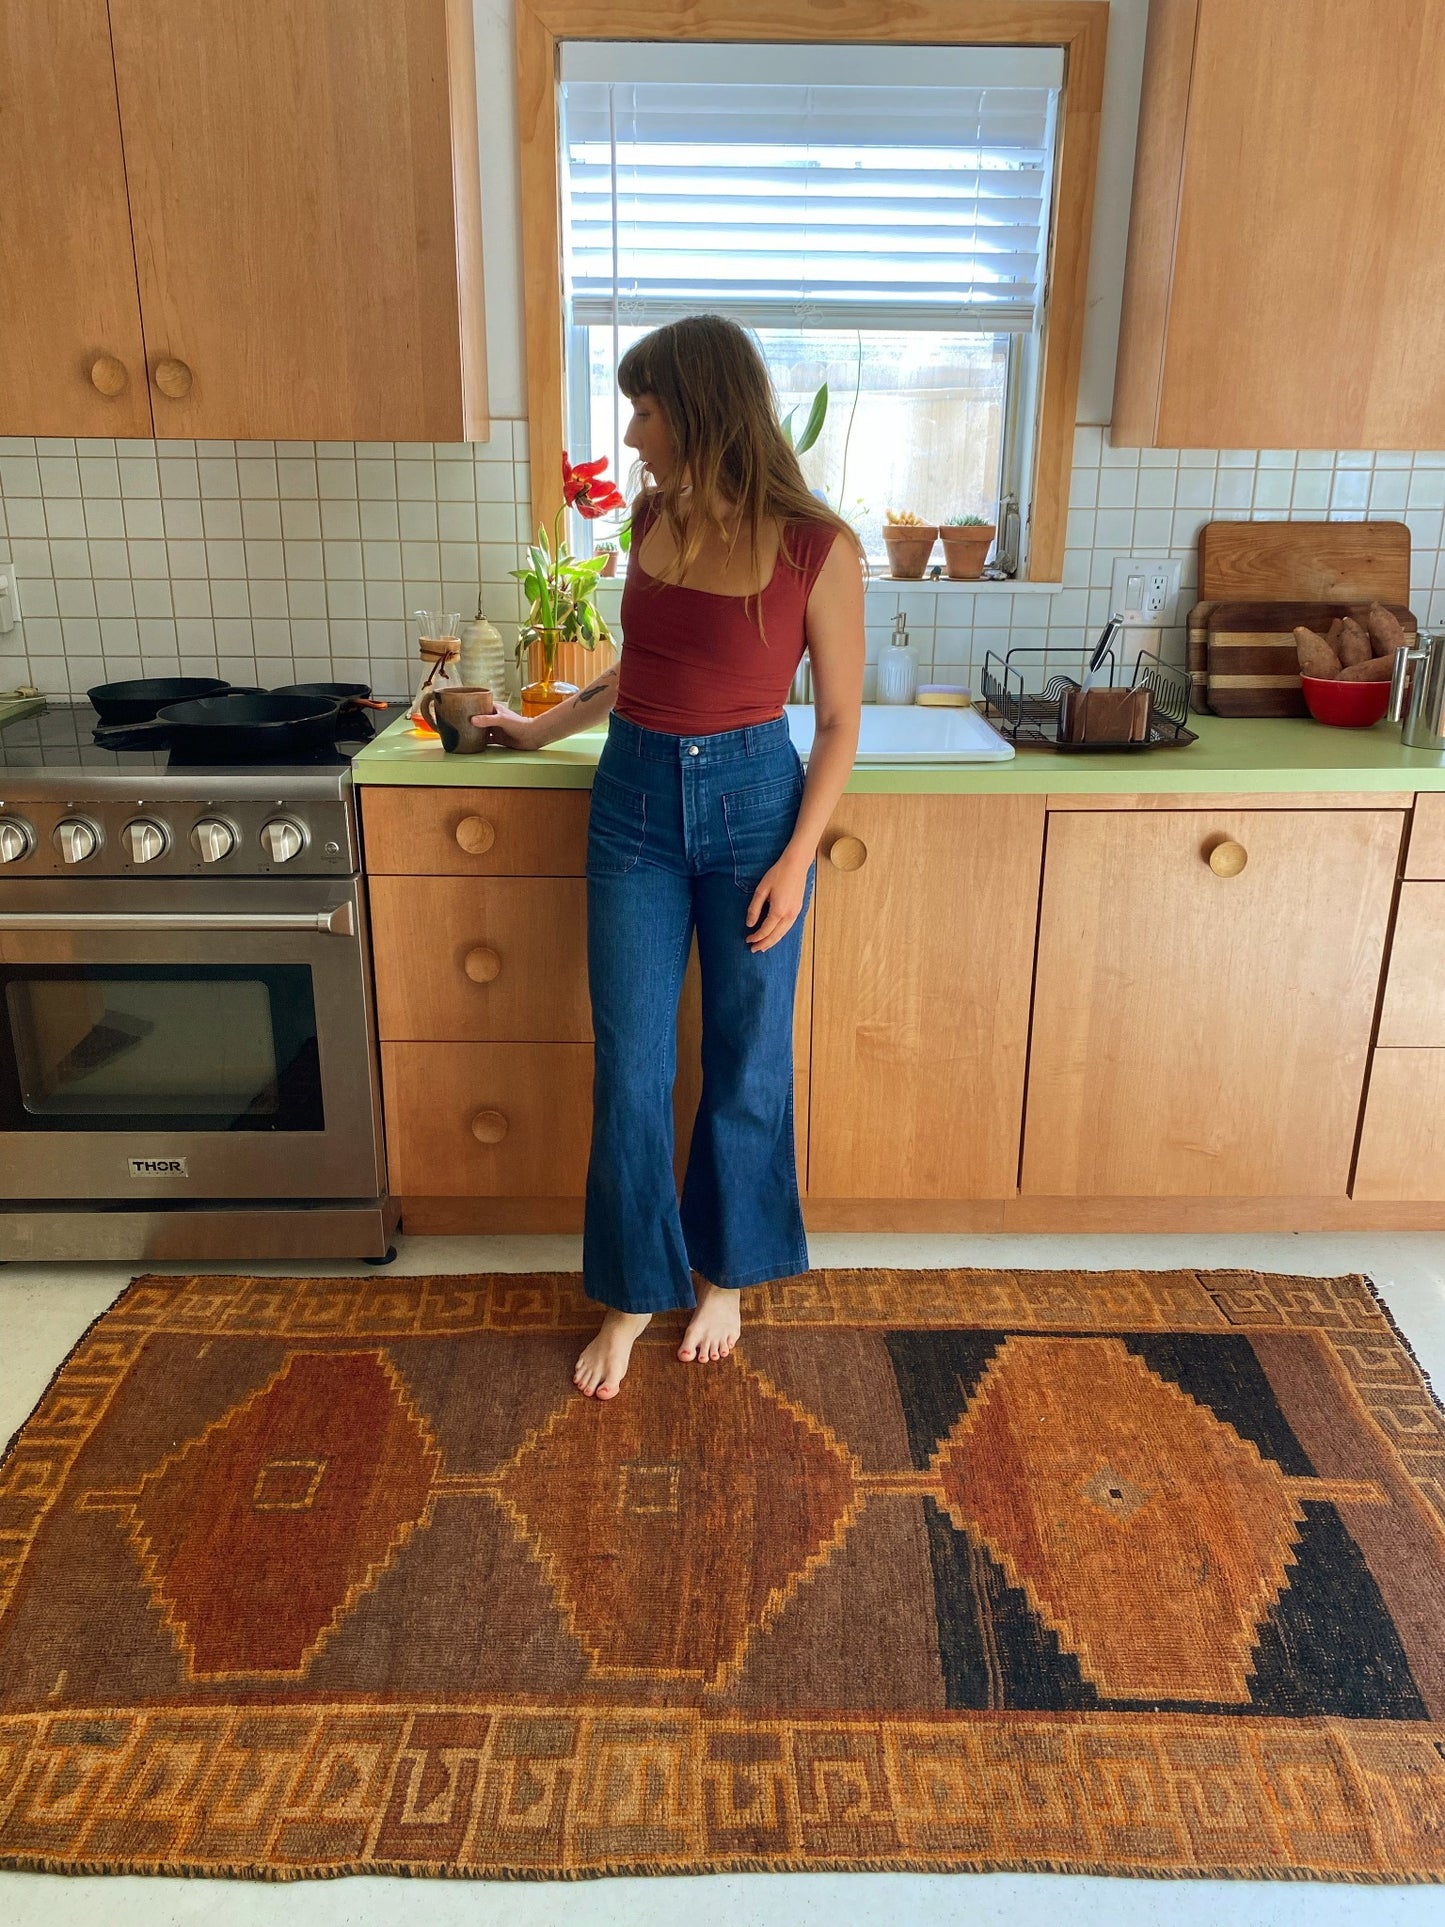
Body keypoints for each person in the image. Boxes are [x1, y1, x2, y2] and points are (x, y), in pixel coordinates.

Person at [475, 315, 864, 1398]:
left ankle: (728, 1276)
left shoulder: (815, 545)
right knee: (632, 1062)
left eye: (643, 407)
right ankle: (634, 1291)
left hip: (754, 811)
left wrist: (796, 860)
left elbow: (837, 722)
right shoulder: (649, 515)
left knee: (744, 1054)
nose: (632, 429)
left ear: (697, 407)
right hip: (634, 804)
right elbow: (630, 671)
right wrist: (536, 728)